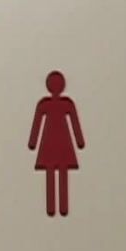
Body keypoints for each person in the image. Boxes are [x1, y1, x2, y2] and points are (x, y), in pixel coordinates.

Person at [28, 71, 85, 216]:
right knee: (56, 171)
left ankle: (59, 207)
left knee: (55, 171)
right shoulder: (52, 104)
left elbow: (74, 123)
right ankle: (55, 208)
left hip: (55, 141)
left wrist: (33, 142)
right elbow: (37, 124)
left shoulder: (57, 104)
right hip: (56, 141)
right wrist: (79, 141)